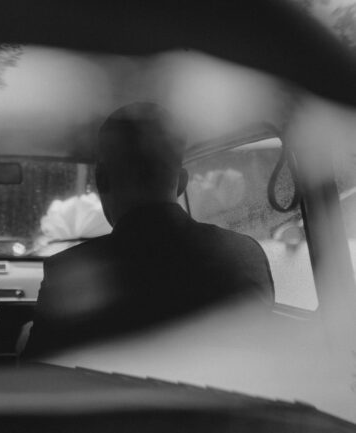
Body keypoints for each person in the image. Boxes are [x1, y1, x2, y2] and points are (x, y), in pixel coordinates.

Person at [23, 102, 274, 358]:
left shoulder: (66, 273)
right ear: (182, 183)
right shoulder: (247, 255)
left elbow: (39, 372)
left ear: (101, 179)